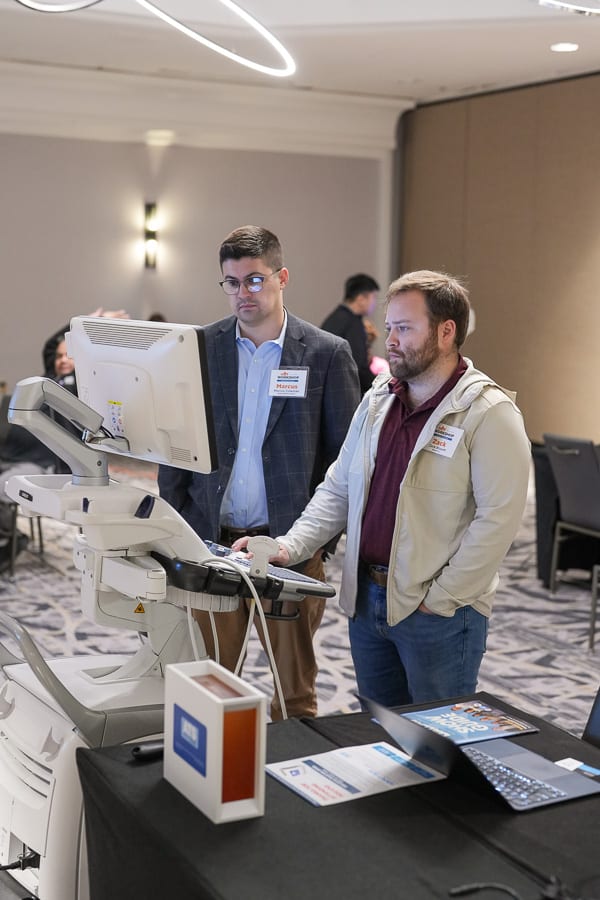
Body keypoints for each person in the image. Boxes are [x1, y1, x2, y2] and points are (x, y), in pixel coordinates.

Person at [235, 270, 531, 708]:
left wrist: (441, 599)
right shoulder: (379, 398)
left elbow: (498, 521)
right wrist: (289, 545)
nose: (389, 340)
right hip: (368, 599)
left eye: (405, 329)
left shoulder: (488, 412)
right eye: (389, 327)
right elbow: (339, 488)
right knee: (377, 728)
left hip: (438, 613)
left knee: (436, 735)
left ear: (446, 332)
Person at [158, 225, 361, 719]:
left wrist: (318, 545)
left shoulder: (326, 354)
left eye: (254, 280)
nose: (242, 293)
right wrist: (180, 525)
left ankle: (292, 765)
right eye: (231, 282)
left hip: (288, 551)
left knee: (294, 696)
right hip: (212, 546)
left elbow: (346, 460)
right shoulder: (200, 347)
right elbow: (173, 446)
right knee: (206, 686)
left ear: (281, 278)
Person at [321, 273, 380, 394]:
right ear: (361, 299)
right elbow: (358, 366)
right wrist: (380, 386)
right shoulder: (353, 323)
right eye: (373, 297)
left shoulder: (335, 318)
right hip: (344, 391)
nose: (374, 303)